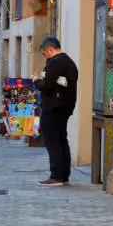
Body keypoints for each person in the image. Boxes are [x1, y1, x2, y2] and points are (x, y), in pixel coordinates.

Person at [32, 37, 79, 187]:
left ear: (51, 50)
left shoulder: (55, 63)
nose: (45, 57)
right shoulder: (69, 62)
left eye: (45, 54)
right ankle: (64, 175)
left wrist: (35, 81)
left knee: (52, 141)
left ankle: (56, 176)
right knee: (61, 139)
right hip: (65, 107)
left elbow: (47, 86)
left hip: (53, 107)